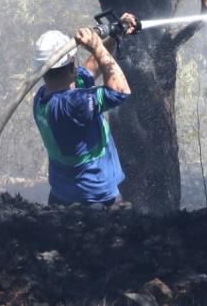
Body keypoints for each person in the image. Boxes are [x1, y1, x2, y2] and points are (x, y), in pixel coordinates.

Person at [32, 14, 137, 207]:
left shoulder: (42, 98)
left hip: (61, 197)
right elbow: (120, 91)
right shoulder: (73, 104)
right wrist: (96, 47)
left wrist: (114, 36)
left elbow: (89, 71)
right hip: (96, 201)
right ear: (71, 64)